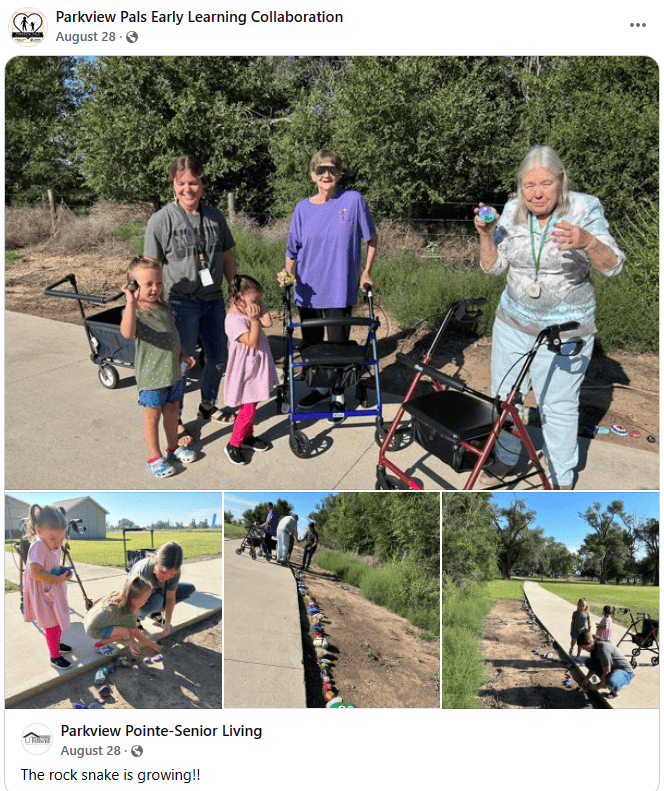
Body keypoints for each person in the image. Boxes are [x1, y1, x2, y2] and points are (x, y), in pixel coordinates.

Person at [474, 145, 624, 489]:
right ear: (519, 187)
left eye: (545, 183)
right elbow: (493, 267)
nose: (537, 193)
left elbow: (613, 266)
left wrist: (586, 241)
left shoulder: (585, 208)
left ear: (560, 182)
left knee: (557, 406)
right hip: (513, 323)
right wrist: (485, 235)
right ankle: (508, 457)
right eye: (529, 185)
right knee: (504, 397)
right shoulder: (511, 210)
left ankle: (560, 477)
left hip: (565, 332)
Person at [143, 154, 237, 443]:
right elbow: (150, 264)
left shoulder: (215, 217)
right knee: (183, 364)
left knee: (219, 357)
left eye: (193, 182)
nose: (188, 189)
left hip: (214, 300)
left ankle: (208, 404)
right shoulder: (161, 220)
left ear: (202, 184)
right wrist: (150, 304)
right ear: (173, 183)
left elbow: (226, 255)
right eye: (182, 183)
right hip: (180, 303)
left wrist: (234, 290)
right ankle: (177, 417)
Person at [280, 150, 377, 423]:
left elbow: (372, 239)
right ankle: (320, 387)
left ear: (339, 173)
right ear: (312, 175)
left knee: (336, 345)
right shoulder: (302, 208)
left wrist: (366, 272)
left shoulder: (353, 200)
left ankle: (338, 395)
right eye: (321, 170)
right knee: (311, 345)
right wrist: (287, 276)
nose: (326, 175)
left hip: (339, 287)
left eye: (332, 169)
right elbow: (291, 251)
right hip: (308, 290)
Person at [120, 256, 198, 479]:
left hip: (172, 374)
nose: (155, 288)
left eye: (158, 283)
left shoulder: (163, 308)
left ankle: (172, 448)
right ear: (134, 286)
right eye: (148, 284)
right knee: (152, 418)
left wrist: (183, 353)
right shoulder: (135, 311)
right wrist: (130, 302)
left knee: (172, 413)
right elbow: (126, 333)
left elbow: (173, 336)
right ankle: (154, 457)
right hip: (152, 378)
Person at [223, 275, 278, 465]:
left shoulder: (248, 310)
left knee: (252, 406)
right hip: (245, 373)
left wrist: (258, 306)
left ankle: (248, 437)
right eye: (254, 301)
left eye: (258, 300)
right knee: (246, 409)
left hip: (255, 369)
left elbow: (268, 323)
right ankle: (234, 444)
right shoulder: (233, 320)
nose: (257, 304)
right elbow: (252, 343)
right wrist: (254, 320)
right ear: (238, 299)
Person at [22, 504, 74, 669]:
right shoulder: (39, 546)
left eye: (61, 538)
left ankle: (57, 645)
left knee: (57, 619)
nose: (58, 543)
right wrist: (58, 578)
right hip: (42, 593)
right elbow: (35, 573)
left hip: (52, 589)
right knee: (51, 624)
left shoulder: (51, 544)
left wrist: (63, 572)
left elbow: (51, 566)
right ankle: (54, 657)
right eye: (53, 538)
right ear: (38, 531)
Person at [128, 541, 195, 637]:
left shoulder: (175, 570)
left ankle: (154, 613)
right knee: (158, 600)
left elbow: (171, 597)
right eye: (163, 572)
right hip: (138, 597)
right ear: (156, 563)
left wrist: (167, 623)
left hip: (157, 593)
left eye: (172, 574)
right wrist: (133, 624)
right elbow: (131, 600)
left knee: (189, 589)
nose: (167, 577)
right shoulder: (142, 571)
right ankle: (139, 617)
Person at [83, 576, 161, 657]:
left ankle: (112, 631)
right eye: (145, 599)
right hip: (93, 631)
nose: (147, 600)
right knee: (125, 632)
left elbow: (95, 602)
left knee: (122, 625)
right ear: (134, 600)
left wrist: (132, 641)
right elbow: (138, 635)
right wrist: (152, 645)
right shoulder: (127, 613)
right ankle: (100, 645)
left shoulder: (114, 593)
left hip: (87, 619)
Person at [577, 629, 634, 699]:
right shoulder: (593, 649)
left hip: (625, 673)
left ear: (590, 643)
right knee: (589, 662)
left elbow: (607, 671)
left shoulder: (602, 648)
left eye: (583, 647)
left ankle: (615, 691)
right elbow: (594, 667)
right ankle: (604, 682)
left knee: (611, 681)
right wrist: (585, 679)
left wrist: (597, 687)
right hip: (613, 669)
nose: (583, 649)